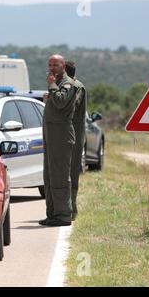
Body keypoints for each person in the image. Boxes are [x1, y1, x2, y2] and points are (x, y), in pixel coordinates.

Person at [39, 55, 78, 227]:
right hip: (51, 134)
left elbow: (62, 102)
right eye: (49, 64)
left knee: (60, 175)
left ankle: (63, 215)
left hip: (61, 135)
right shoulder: (58, 84)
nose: (51, 67)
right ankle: (53, 214)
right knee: (49, 175)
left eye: (55, 64)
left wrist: (52, 85)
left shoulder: (68, 83)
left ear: (63, 66)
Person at [65, 61, 87, 221]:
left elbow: (72, 106)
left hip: (73, 136)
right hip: (65, 135)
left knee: (72, 172)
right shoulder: (69, 86)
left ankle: (72, 209)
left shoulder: (76, 87)